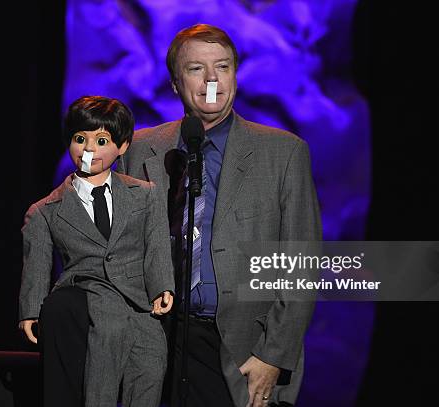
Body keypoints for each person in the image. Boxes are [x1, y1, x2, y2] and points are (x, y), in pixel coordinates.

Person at [118, 24, 322, 407]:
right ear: (176, 83)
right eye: (196, 68)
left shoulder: (283, 153)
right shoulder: (141, 149)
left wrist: (272, 356)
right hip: (156, 342)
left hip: (242, 354)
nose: (212, 78)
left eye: (223, 67)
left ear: (235, 76)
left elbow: (301, 266)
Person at [18, 95, 175, 407]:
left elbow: (156, 244)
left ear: (123, 146)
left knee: (150, 365)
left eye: (102, 140)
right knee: (100, 372)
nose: (89, 149)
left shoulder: (144, 195)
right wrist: (31, 311)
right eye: (80, 139)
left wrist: (162, 286)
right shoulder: (45, 211)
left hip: (140, 303)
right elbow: (36, 264)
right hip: (91, 296)